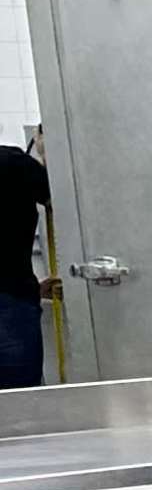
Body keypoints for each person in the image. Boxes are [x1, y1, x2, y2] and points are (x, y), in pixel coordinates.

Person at [0, 125, 49, 389]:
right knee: (20, 408)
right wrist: (48, 153)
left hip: (12, 297)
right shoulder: (12, 163)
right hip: (10, 303)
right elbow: (64, 194)